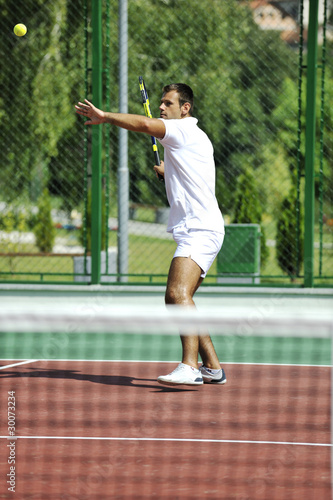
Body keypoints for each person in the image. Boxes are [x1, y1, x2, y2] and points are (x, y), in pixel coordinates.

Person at [75, 83, 226, 387]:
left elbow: (144, 125)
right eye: (160, 103)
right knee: (183, 300)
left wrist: (105, 116)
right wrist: (167, 172)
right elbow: (190, 173)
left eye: (168, 103)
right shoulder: (192, 138)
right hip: (199, 228)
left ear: (185, 108)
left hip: (200, 229)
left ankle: (189, 367)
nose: (160, 108)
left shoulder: (183, 130)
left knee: (176, 294)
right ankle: (212, 366)